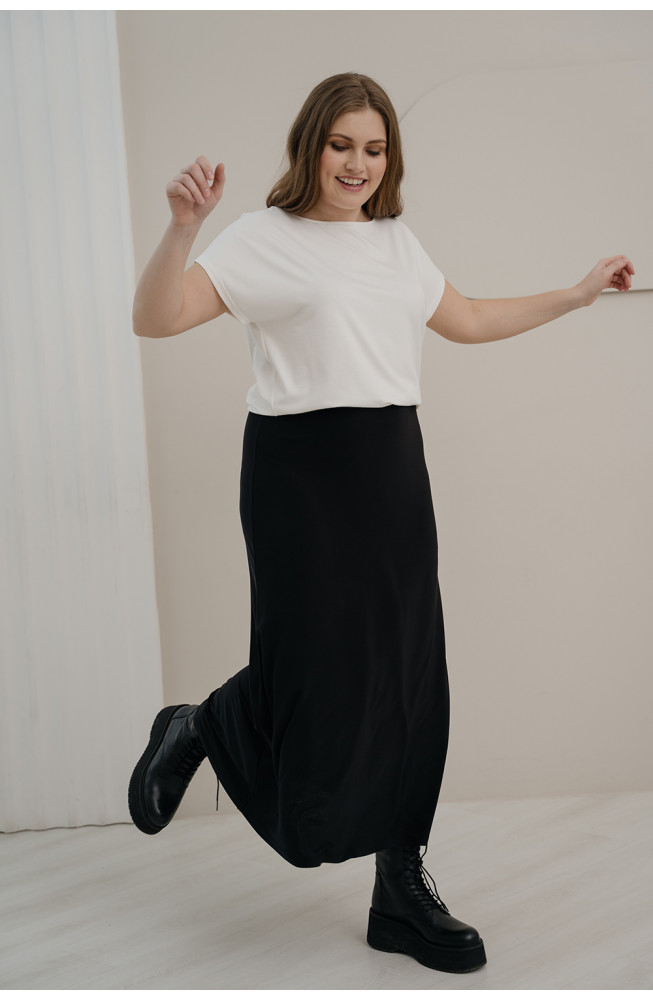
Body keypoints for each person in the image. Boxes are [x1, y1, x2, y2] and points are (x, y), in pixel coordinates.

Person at [128, 72, 634, 975]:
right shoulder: (262, 238)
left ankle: (400, 883)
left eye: (373, 148)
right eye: (340, 145)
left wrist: (575, 293)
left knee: (408, 672)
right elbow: (157, 320)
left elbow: (465, 319)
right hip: (298, 474)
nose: (356, 164)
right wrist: (182, 229)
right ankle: (199, 727)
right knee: (313, 669)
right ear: (309, 146)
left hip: (392, 466)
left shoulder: (395, 241)